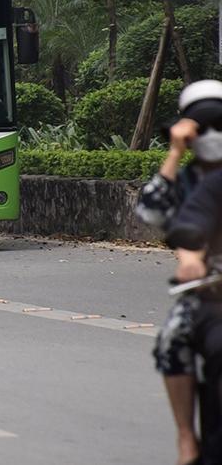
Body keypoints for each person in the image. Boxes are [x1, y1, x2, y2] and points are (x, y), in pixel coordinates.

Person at [156, 81, 222, 465]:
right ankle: (186, 437)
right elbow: (186, 226)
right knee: (174, 339)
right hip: (211, 291)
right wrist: (191, 259)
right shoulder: (202, 182)